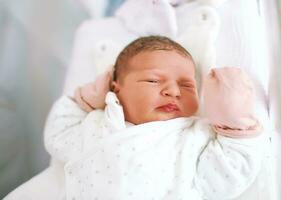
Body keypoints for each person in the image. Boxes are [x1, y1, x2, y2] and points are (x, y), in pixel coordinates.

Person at [44, 36, 263, 200]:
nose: (174, 91)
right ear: (115, 87)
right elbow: (59, 134)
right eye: (153, 81)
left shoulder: (195, 135)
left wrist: (234, 122)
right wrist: (87, 99)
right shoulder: (97, 124)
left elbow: (226, 178)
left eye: (187, 85)